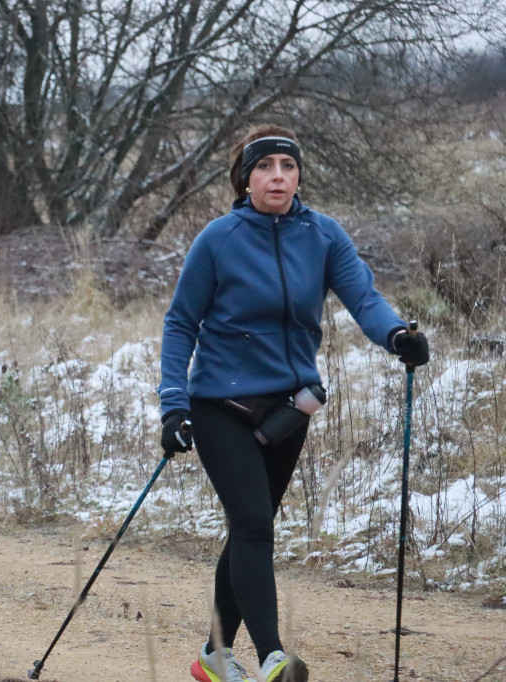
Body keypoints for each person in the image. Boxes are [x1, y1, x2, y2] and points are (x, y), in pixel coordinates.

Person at [157, 125, 429, 682]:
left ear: (298, 174)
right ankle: (272, 659)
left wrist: (397, 336)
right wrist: (173, 403)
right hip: (218, 404)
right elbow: (181, 324)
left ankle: (212, 656)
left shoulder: (323, 235)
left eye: (286, 165)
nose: (276, 175)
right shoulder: (218, 238)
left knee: (247, 531)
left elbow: (363, 298)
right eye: (264, 167)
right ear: (246, 178)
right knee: (255, 524)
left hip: (290, 407)